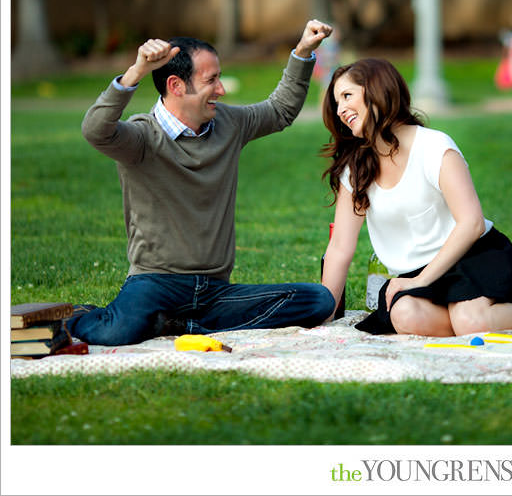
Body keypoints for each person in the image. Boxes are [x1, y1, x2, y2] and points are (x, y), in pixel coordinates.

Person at [67, 20, 338, 346]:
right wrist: (135, 72)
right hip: (155, 282)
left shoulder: (230, 123)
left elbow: (280, 110)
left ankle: (181, 323)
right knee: (114, 333)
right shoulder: (141, 137)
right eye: (212, 80)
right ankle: (80, 316)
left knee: (319, 301)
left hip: (215, 290)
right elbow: (95, 130)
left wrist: (303, 52)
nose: (221, 89)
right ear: (176, 86)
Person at [319, 58, 512, 336]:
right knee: (404, 315)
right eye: (336, 102)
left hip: (472, 255)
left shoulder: (434, 147)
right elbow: (340, 248)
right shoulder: (355, 169)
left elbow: (471, 223)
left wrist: (420, 281)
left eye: (347, 95)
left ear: (378, 89)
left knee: (471, 320)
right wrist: (323, 313)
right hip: (414, 274)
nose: (340, 108)